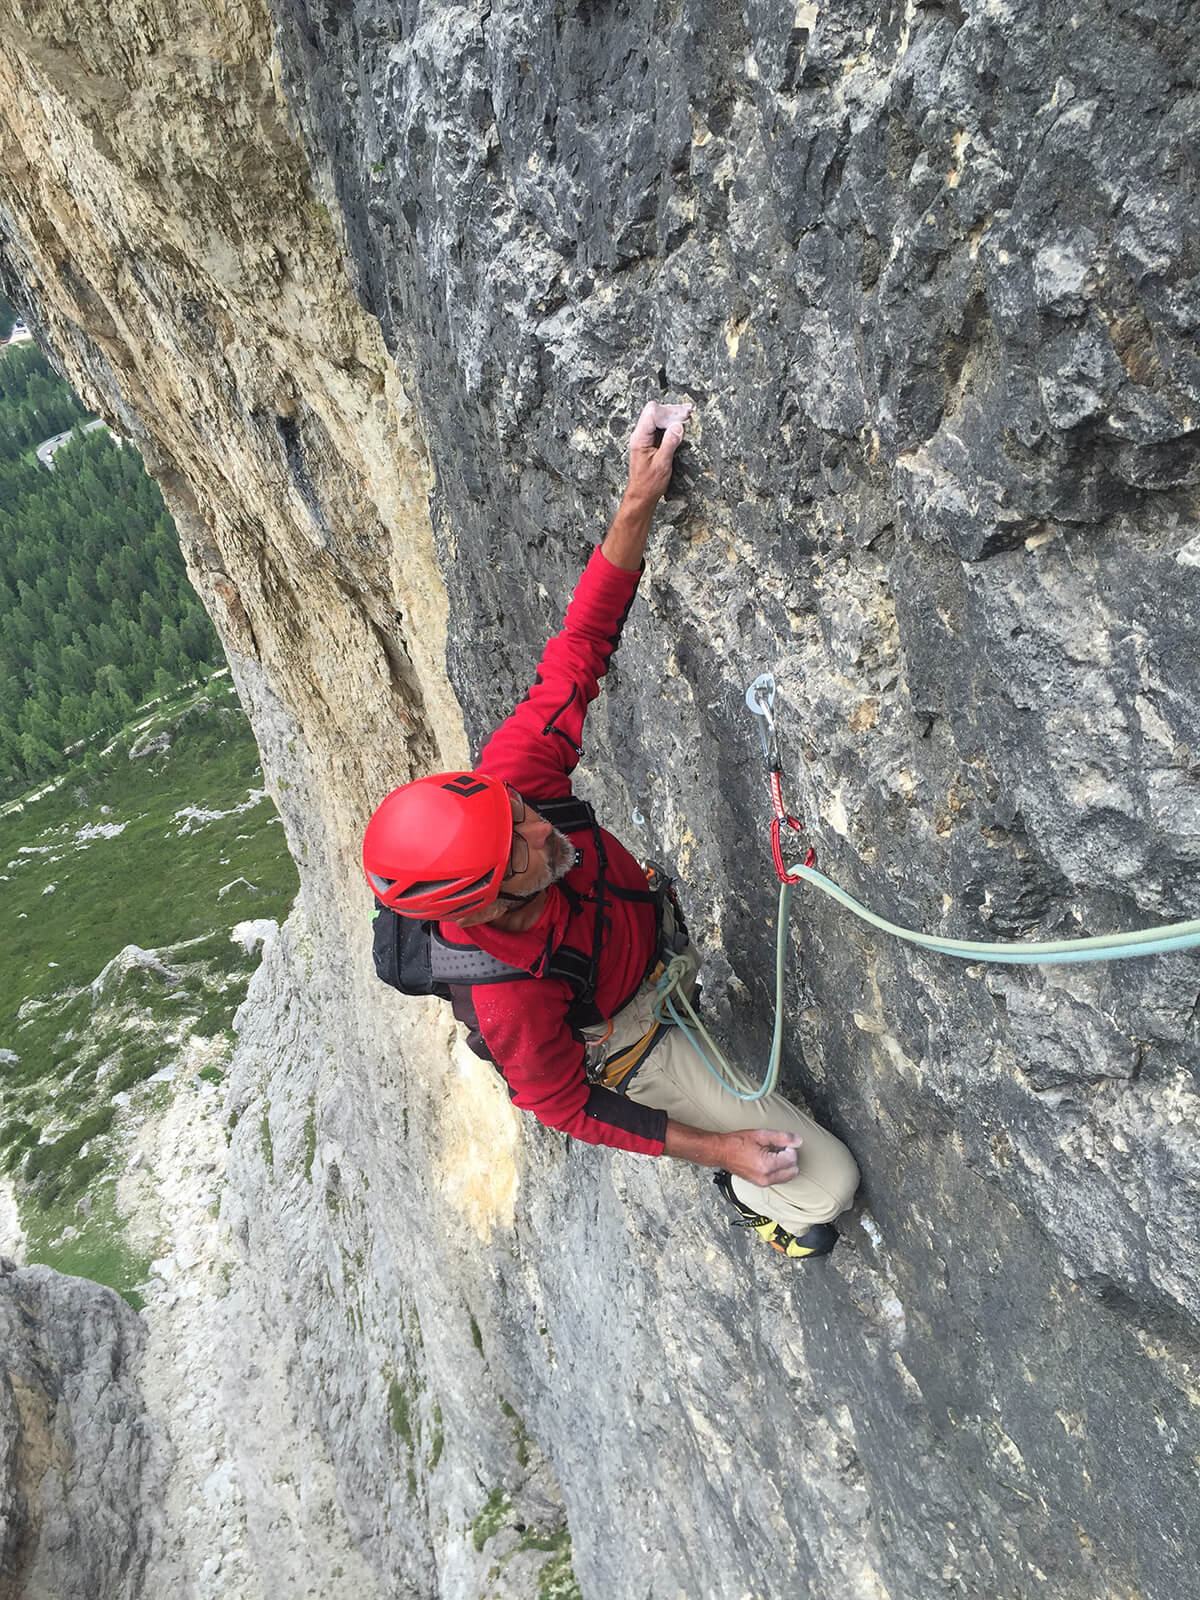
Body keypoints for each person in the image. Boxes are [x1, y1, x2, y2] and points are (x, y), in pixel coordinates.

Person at [363, 403, 859, 1258]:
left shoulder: (509, 783)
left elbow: (577, 651)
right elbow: (566, 1107)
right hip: (636, 1044)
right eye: (519, 853)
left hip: (647, 948)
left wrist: (638, 501)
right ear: (482, 906)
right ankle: (763, 1209)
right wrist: (722, 1148)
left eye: (518, 816)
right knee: (829, 1186)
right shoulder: (505, 995)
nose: (539, 835)